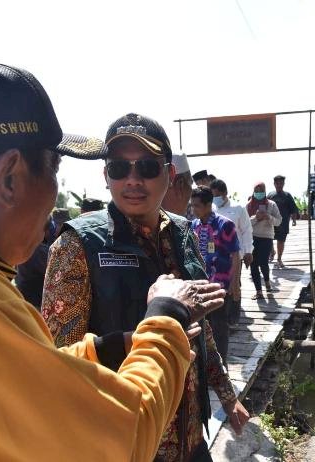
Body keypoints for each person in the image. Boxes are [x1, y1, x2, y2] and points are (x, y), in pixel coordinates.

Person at [0, 59, 226, 462]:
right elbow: (121, 438)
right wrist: (166, 315)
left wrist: (104, 348)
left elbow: (24, 372)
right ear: (11, 177)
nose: (133, 180)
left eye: (148, 168)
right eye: (54, 170)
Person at [42, 113, 249, 461]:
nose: (133, 180)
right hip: (127, 441)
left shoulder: (183, 233)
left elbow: (200, 327)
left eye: (147, 168)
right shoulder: (77, 245)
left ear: (169, 175)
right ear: (106, 175)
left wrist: (227, 395)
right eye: (120, 168)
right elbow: (60, 363)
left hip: (191, 435)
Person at [190, 186, 241, 365]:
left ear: (208, 205)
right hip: (199, 287)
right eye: (192, 205)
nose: (193, 209)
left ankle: (222, 365)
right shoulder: (194, 225)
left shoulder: (225, 225)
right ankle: (206, 367)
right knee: (202, 328)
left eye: (196, 206)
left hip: (220, 286)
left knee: (219, 327)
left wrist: (235, 285)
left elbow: (236, 255)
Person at [210, 179, 253, 326]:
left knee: (235, 284)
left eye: (218, 195)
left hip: (235, 254)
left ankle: (234, 315)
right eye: (213, 195)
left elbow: (247, 230)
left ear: (225, 193)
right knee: (220, 285)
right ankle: (224, 316)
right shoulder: (212, 210)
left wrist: (248, 251)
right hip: (217, 256)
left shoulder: (238, 208)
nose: (215, 198)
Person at [246, 182, 282, 299]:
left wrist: (269, 217)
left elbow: (279, 221)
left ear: (265, 191)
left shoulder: (271, 205)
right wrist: (256, 218)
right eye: (256, 191)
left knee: (263, 262)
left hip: (267, 237)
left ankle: (266, 281)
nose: (259, 193)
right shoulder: (248, 205)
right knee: (253, 264)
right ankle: (258, 291)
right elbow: (245, 224)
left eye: (261, 190)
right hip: (252, 237)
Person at [268, 175, 298, 269]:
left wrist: (294, 220)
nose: (279, 185)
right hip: (271, 222)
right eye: (277, 183)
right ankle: (272, 252)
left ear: (284, 184)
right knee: (268, 239)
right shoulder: (270, 195)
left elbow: (293, 209)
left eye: (281, 183)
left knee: (281, 241)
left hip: (283, 223)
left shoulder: (287, 196)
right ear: (274, 184)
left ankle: (279, 259)